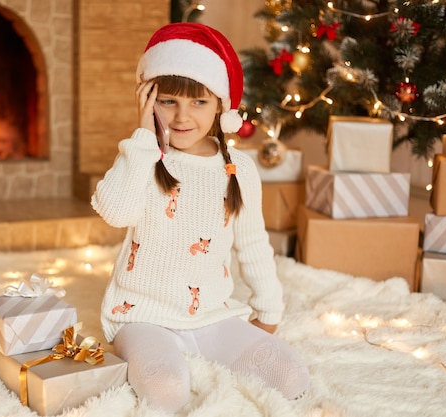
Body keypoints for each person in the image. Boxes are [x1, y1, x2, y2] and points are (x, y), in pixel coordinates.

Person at [91, 22, 309, 413]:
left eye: (198, 103)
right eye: (168, 101)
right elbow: (115, 211)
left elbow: (254, 244)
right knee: (167, 390)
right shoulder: (142, 157)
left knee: (291, 378)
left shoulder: (237, 169)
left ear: (221, 107)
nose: (181, 116)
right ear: (148, 98)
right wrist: (143, 138)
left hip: (211, 316)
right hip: (141, 317)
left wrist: (269, 312)